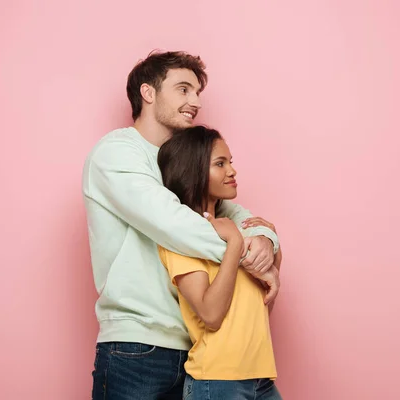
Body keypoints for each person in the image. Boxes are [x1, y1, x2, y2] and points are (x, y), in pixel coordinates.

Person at [82, 50, 280, 399]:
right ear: (148, 93)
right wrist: (248, 256)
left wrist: (265, 240)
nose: (196, 102)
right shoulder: (117, 152)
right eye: (184, 89)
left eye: (198, 93)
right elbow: (176, 225)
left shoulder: (179, 163)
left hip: (195, 348)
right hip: (136, 347)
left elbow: (233, 214)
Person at [157, 125, 283, 400]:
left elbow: (259, 306)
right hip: (218, 381)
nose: (232, 171)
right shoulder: (182, 237)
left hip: (259, 377)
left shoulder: (234, 228)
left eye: (230, 162)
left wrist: (272, 245)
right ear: (195, 170)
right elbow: (211, 315)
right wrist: (235, 244)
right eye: (220, 163)